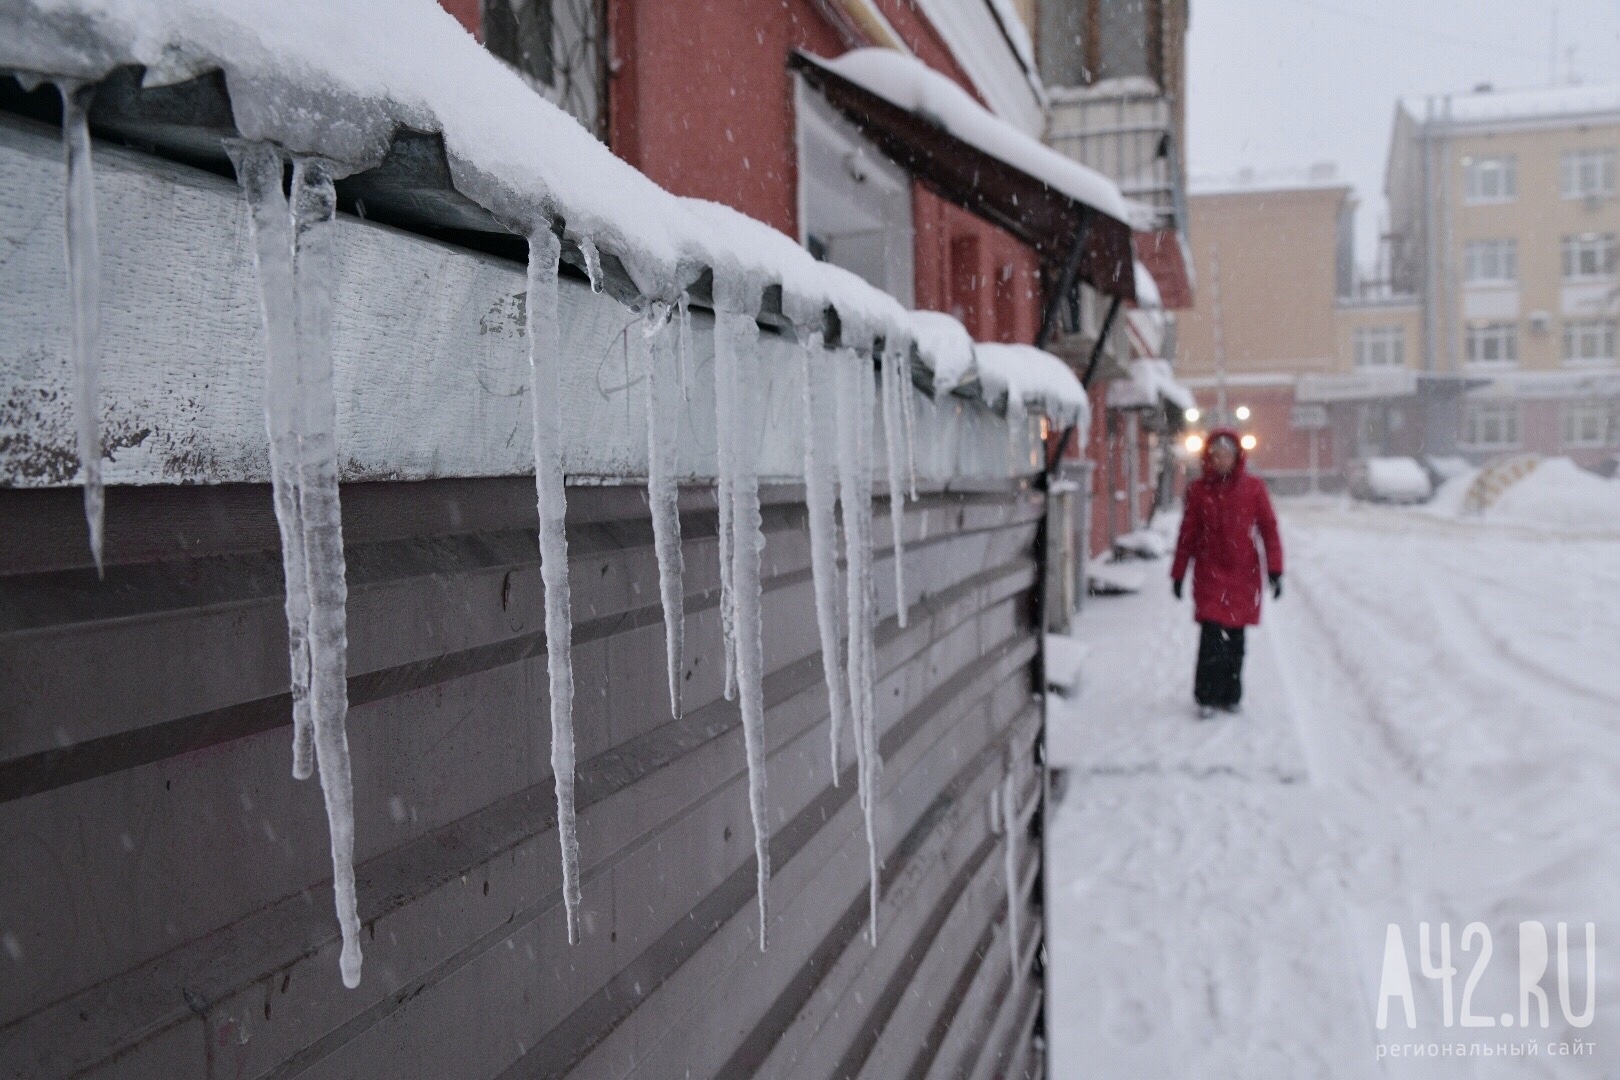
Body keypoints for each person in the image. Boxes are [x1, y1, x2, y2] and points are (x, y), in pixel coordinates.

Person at [1169, 429, 1283, 718]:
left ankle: (1231, 695)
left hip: (1243, 574)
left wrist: (1276, 570)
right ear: (1208, 458)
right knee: (1210, 637)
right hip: (1209, 573)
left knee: (1235, 638)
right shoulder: (1198, 491)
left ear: (1237, 458)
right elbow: (1188, 534)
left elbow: (1269, 529)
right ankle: (1206, 696)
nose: (1221, 460)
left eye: (1227, 455)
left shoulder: (1254, 488)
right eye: (1216, 455)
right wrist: (1179, 572)